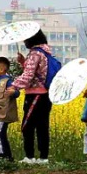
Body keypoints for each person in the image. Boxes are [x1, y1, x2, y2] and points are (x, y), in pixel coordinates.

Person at [16, 30, 55, 165]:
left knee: (27, 125)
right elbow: (38, 72)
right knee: (42, 126)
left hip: (35, 95)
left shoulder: (34, 54)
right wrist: (23, 62)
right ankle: (43, 157)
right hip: (46, 94)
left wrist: (13, 86)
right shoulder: (45, 52)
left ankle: (30, 157)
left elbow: (28, 76)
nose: (24, 42)